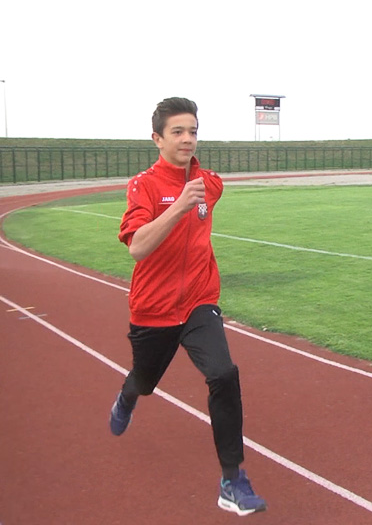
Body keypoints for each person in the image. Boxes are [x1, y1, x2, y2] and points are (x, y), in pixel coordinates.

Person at [108, 97, 267, 516]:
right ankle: (128, 396)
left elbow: (205, 202)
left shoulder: (209, 184)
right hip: (153, 309)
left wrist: (191, 194)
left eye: (193, 131)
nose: (187, 139)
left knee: (224, 373)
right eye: (177, 131)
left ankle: (232, 480)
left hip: (199, 301)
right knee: (145, 382)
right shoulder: (143, 186)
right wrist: (179, 205)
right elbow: (137, 247)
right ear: (157, 139)